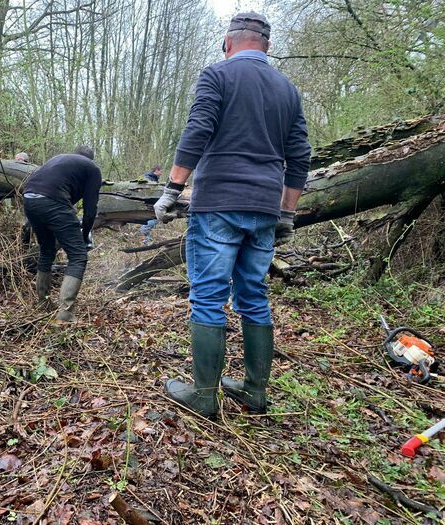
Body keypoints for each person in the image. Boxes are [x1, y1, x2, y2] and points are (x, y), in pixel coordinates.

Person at [154, 12, 311, 417]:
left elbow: (197, 131)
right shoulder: (288, 90)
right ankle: (255, 392)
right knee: (254, 297)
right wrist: (287, 213)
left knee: (207, 296)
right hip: (264, 207)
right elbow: (299, 155)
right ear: (267, 47)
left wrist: (172, 188)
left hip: (219, 202)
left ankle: (204, 395)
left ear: (228, 43)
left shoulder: (217, 76)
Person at [23, 146, 102, 322]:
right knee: (78, 256)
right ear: (91, 159)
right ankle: (65, 314)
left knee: (47, 250)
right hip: (52, 200)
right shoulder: (92, 168)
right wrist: (84, 237)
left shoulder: (58, 159)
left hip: (28, 198)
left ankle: (42, 303)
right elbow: (90, 212)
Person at [140, 164, 163, 245]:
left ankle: (146, 242)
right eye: (160, 171)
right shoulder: (148, 178)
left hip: (151, 203)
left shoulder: (153, 178)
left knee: (153, 219)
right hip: (147, 204)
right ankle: (145, 240)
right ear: (156, 170)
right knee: (152, 220)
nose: (161, 173)